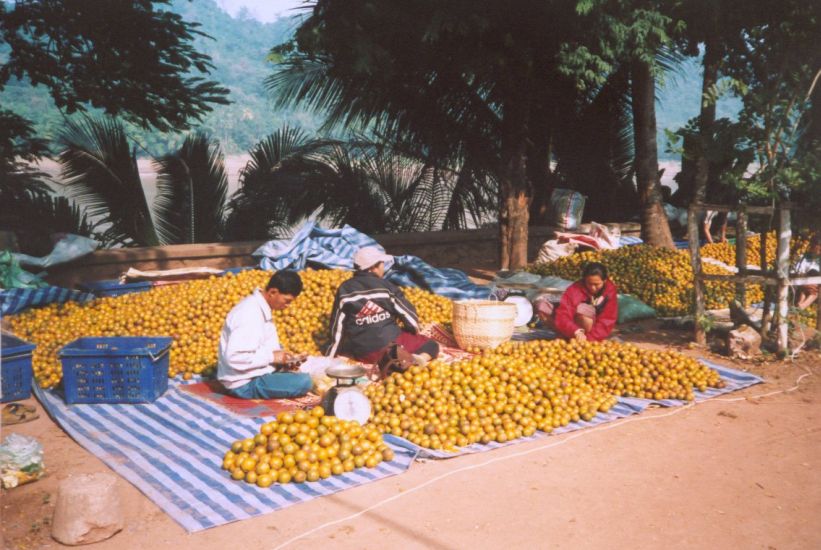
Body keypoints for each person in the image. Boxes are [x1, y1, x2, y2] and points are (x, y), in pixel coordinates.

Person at [327, 246, 439, 366]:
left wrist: (329, 356)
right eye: (382, 263)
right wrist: (412, 331)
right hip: (391, 348)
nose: (383, 267)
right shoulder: (387, 287)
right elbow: (410, 318)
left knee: (352, 344)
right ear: (373, 267)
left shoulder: (344, 289)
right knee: (431, 345)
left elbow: (337, 328)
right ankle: (415, 359)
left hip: (364, 354)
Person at [217, 270, 313, 399]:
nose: (288, 306)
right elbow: (235, 358)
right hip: (243, 384)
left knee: (304, 371)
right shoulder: (250, 314)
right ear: (273, 292)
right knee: (304, 382)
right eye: (287, 300)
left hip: (257, 373)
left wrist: (284, 360)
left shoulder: (260, 308)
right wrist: (272, 357)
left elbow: (263, 347)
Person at [537, 262, 618, 342]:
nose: (593, 288)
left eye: (597, 284)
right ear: (584, 280)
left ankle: (577, 337)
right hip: (574, 326)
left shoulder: (609, 291)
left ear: (604, 281)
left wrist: (590, 338)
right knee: (542, 307)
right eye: (589, 284)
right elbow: (563, 312)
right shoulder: (575, 289)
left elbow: (607, 320)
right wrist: (575, 330)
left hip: (592, 327)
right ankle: (566, 335)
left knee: (582, 310)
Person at [793, 237, 821, 310]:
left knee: (812, 291)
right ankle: (800, 308)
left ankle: (799, 307)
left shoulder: (819, 259)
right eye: (818, 246)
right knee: (813, 293)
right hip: (803, 281)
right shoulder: (804, 257)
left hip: (815, 285)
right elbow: (798, 272)